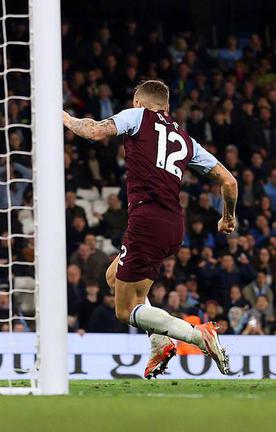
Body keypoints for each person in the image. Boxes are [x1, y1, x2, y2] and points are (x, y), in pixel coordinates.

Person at [64, 80, 238, 378]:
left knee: (124, 310)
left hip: (147, 222)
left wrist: (63, 117)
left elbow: (94, 131)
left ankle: (199, 336)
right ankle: (159, 342)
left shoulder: (138, 116)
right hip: (173, 224)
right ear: (167, 108)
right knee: (112, 276)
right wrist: (228, 217)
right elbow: (229, 181)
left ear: (138, 102)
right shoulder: (185, 138)